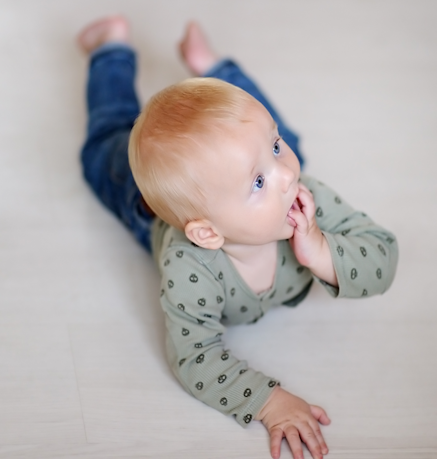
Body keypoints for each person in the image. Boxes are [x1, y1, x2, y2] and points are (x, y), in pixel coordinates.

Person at [77, 16, 398, 460]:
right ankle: (112, 47)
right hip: (144, 203)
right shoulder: (190, 268)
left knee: (273, 138)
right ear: (208, 233)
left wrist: (321, 251)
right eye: (259, 183)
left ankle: (214, 68)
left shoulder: (303, 198)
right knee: (105, 146)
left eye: (276, 148)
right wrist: (269, 402)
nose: (286, 176)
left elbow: (383, 255)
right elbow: (195, 358)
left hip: (225, 179)